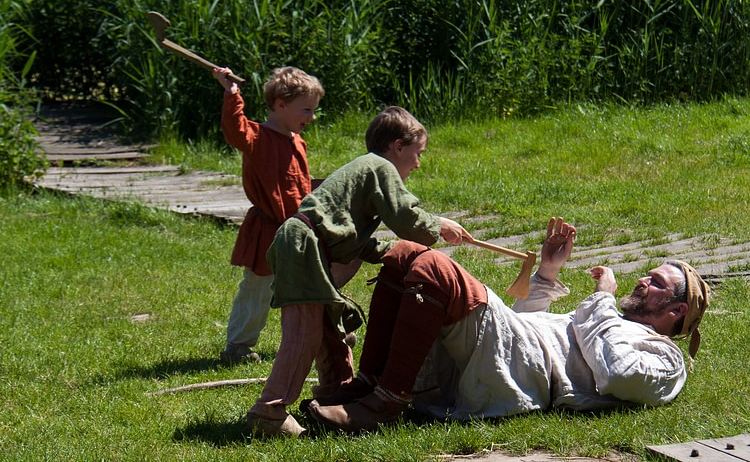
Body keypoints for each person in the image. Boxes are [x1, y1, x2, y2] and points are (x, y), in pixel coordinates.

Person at [308, 217, 711, 432]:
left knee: (434, 267)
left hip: (525, 377)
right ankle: (369, 384)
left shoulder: (665, 357)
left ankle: (386, 404)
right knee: (405, 255)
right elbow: (525, 330)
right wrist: (549, 274)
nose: (643, 279)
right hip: (515, 354)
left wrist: (603, 299)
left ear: (675, 312)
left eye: (656, 283)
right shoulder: (606, 322)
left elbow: (619, 376)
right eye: (649, 275)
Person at [245, 106, 473, 437]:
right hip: (304, 244)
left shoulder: (367, 170)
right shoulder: (380, 167)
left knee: (327, 326)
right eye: (417, 153)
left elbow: (349, 234)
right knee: (304, 331)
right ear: (398, 146)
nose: (418, 163)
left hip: (305, 243)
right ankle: (269, 411)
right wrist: (439, 225)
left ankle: (335, 392)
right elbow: (407, 219)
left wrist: (391, 253)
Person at [212, 66, 325, 365]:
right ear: (280, 104)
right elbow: (235, 129)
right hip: (267, 230)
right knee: (257, 290)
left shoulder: (298, 142)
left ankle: (322, 337)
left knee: (312, 285)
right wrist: (231, 93)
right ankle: (238, 345)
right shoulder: (257, 136)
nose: (311, 117)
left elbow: (298, 186)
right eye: (307, 110)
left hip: (297, 230)